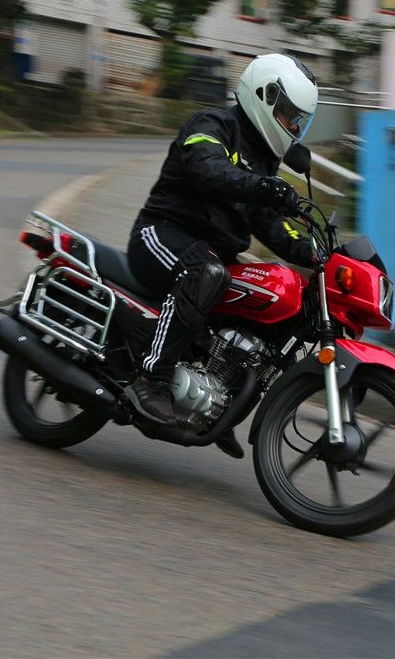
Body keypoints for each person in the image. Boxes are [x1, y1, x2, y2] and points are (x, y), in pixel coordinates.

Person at [122, 53, 319, 459]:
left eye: (300, 119)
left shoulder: (265, 161)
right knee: (207, 271)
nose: (294, 127)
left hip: (213, 253)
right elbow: (207, 169)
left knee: (267, 294)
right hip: (162, 236)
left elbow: (270, 225)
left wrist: (314, 252)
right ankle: (152, 380)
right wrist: (263, 187)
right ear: (265, 97)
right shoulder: (211, 125)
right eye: (289, 115)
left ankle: (221, 408)